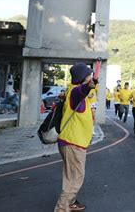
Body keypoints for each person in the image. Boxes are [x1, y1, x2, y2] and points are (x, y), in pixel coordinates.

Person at [54, 62, 96, 212]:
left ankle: (70, 203)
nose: (91, 75)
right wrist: (89, 86)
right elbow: (83, 90)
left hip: (71, 141)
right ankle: (61, 208)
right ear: (83, 77)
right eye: (89, 74)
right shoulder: (77, 92)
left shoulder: (71, 91)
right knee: (75, 180)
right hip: (73, 143)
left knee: (70, 178)